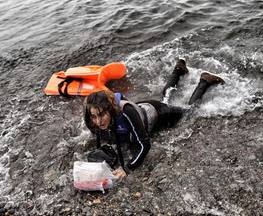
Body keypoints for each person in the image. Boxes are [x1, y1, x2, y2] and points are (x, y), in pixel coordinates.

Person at [83, 59, 225, 181]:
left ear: (110, 109)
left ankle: (205, 81)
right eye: (94, 116)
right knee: (167, 96)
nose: (98, 121)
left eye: (101, 114)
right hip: (142, 109)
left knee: (190, 111)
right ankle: (178, 69)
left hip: (158, 113)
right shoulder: (93, 121)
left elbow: (145, 145)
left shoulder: (126, 113)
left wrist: (127, 168)